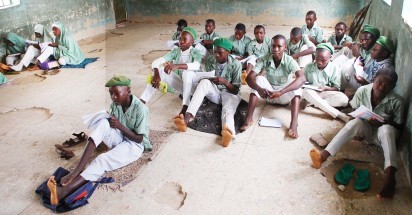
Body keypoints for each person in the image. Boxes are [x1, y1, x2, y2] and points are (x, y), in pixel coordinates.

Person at [47, 76, 150, 205]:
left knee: (102, 160)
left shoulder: (141, 109)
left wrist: (119, 126)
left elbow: (139, 139)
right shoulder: (115, 104)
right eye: (111, 94)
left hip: (134, 145)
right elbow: (110, 125)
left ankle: (63, 191)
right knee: (103, 123)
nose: (113, 97)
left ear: (128, 91)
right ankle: (77, 170)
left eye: (116, 93)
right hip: (121, 137)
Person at [310, 68, 404, 199]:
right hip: (367, 131)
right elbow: (355, 111)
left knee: (387, 129)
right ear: (374, 80)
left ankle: (390, 179)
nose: (382, 87)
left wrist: (383, 123)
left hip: (383, 138)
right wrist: (360, 118)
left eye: (387, 85)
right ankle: (323, 156)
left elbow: (399, 126)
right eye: (379, 83)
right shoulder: (363, 90)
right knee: (354, 123)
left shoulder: (397, 101)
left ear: (393, 87)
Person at [174, 38, 242, 147]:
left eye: (220, 53)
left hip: (229, 93)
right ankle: (186, 119)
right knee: (204, 82)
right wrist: (204, 78)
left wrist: (224, 82)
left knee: (228, 109)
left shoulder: (236, 64)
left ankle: (228, 133)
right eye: (215, 52)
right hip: (215, 91)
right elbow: (207, 75)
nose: (217, 55)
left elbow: (236, 90)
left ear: (228, 52)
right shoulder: (211, 60)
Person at [240, 35, 306, 138]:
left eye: (279, 46)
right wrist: (260, 89)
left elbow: (302, 78)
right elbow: (249, 78)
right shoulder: (265, 58)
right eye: (273, 46)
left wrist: (281, 92)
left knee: (297, 86)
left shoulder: (289, 60)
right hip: (269, 95)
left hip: (284, 96)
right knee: (259, 79)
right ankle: (249, 119)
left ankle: (294, 124)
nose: (275, 49)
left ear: (285, 47)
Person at [140, 27, 203, 117]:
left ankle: (185, 108)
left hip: (195, 89)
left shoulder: (196, 52)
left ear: (192, 42)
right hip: (183, 87)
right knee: (162, 70)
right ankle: (141, 102)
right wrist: (156, 74)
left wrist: (177, 66)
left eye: (185, 39)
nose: (181, 41)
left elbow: (196, 65)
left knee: (187, 73)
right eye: (180, 39)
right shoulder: (176, 51)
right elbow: (156, 62)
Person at [301, 43, 350, 122]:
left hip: (326, 92)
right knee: (306, 91)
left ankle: (313, 103)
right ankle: (338, 114)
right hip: (311, 92)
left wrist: (327, 88)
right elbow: (303, 82)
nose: (319, 62)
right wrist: (304, 84)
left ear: (330, 57)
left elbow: (337, 88)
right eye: (317, 59)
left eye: (323, 60)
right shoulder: (308, 66)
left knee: (344, 99)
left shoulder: (335, 68)